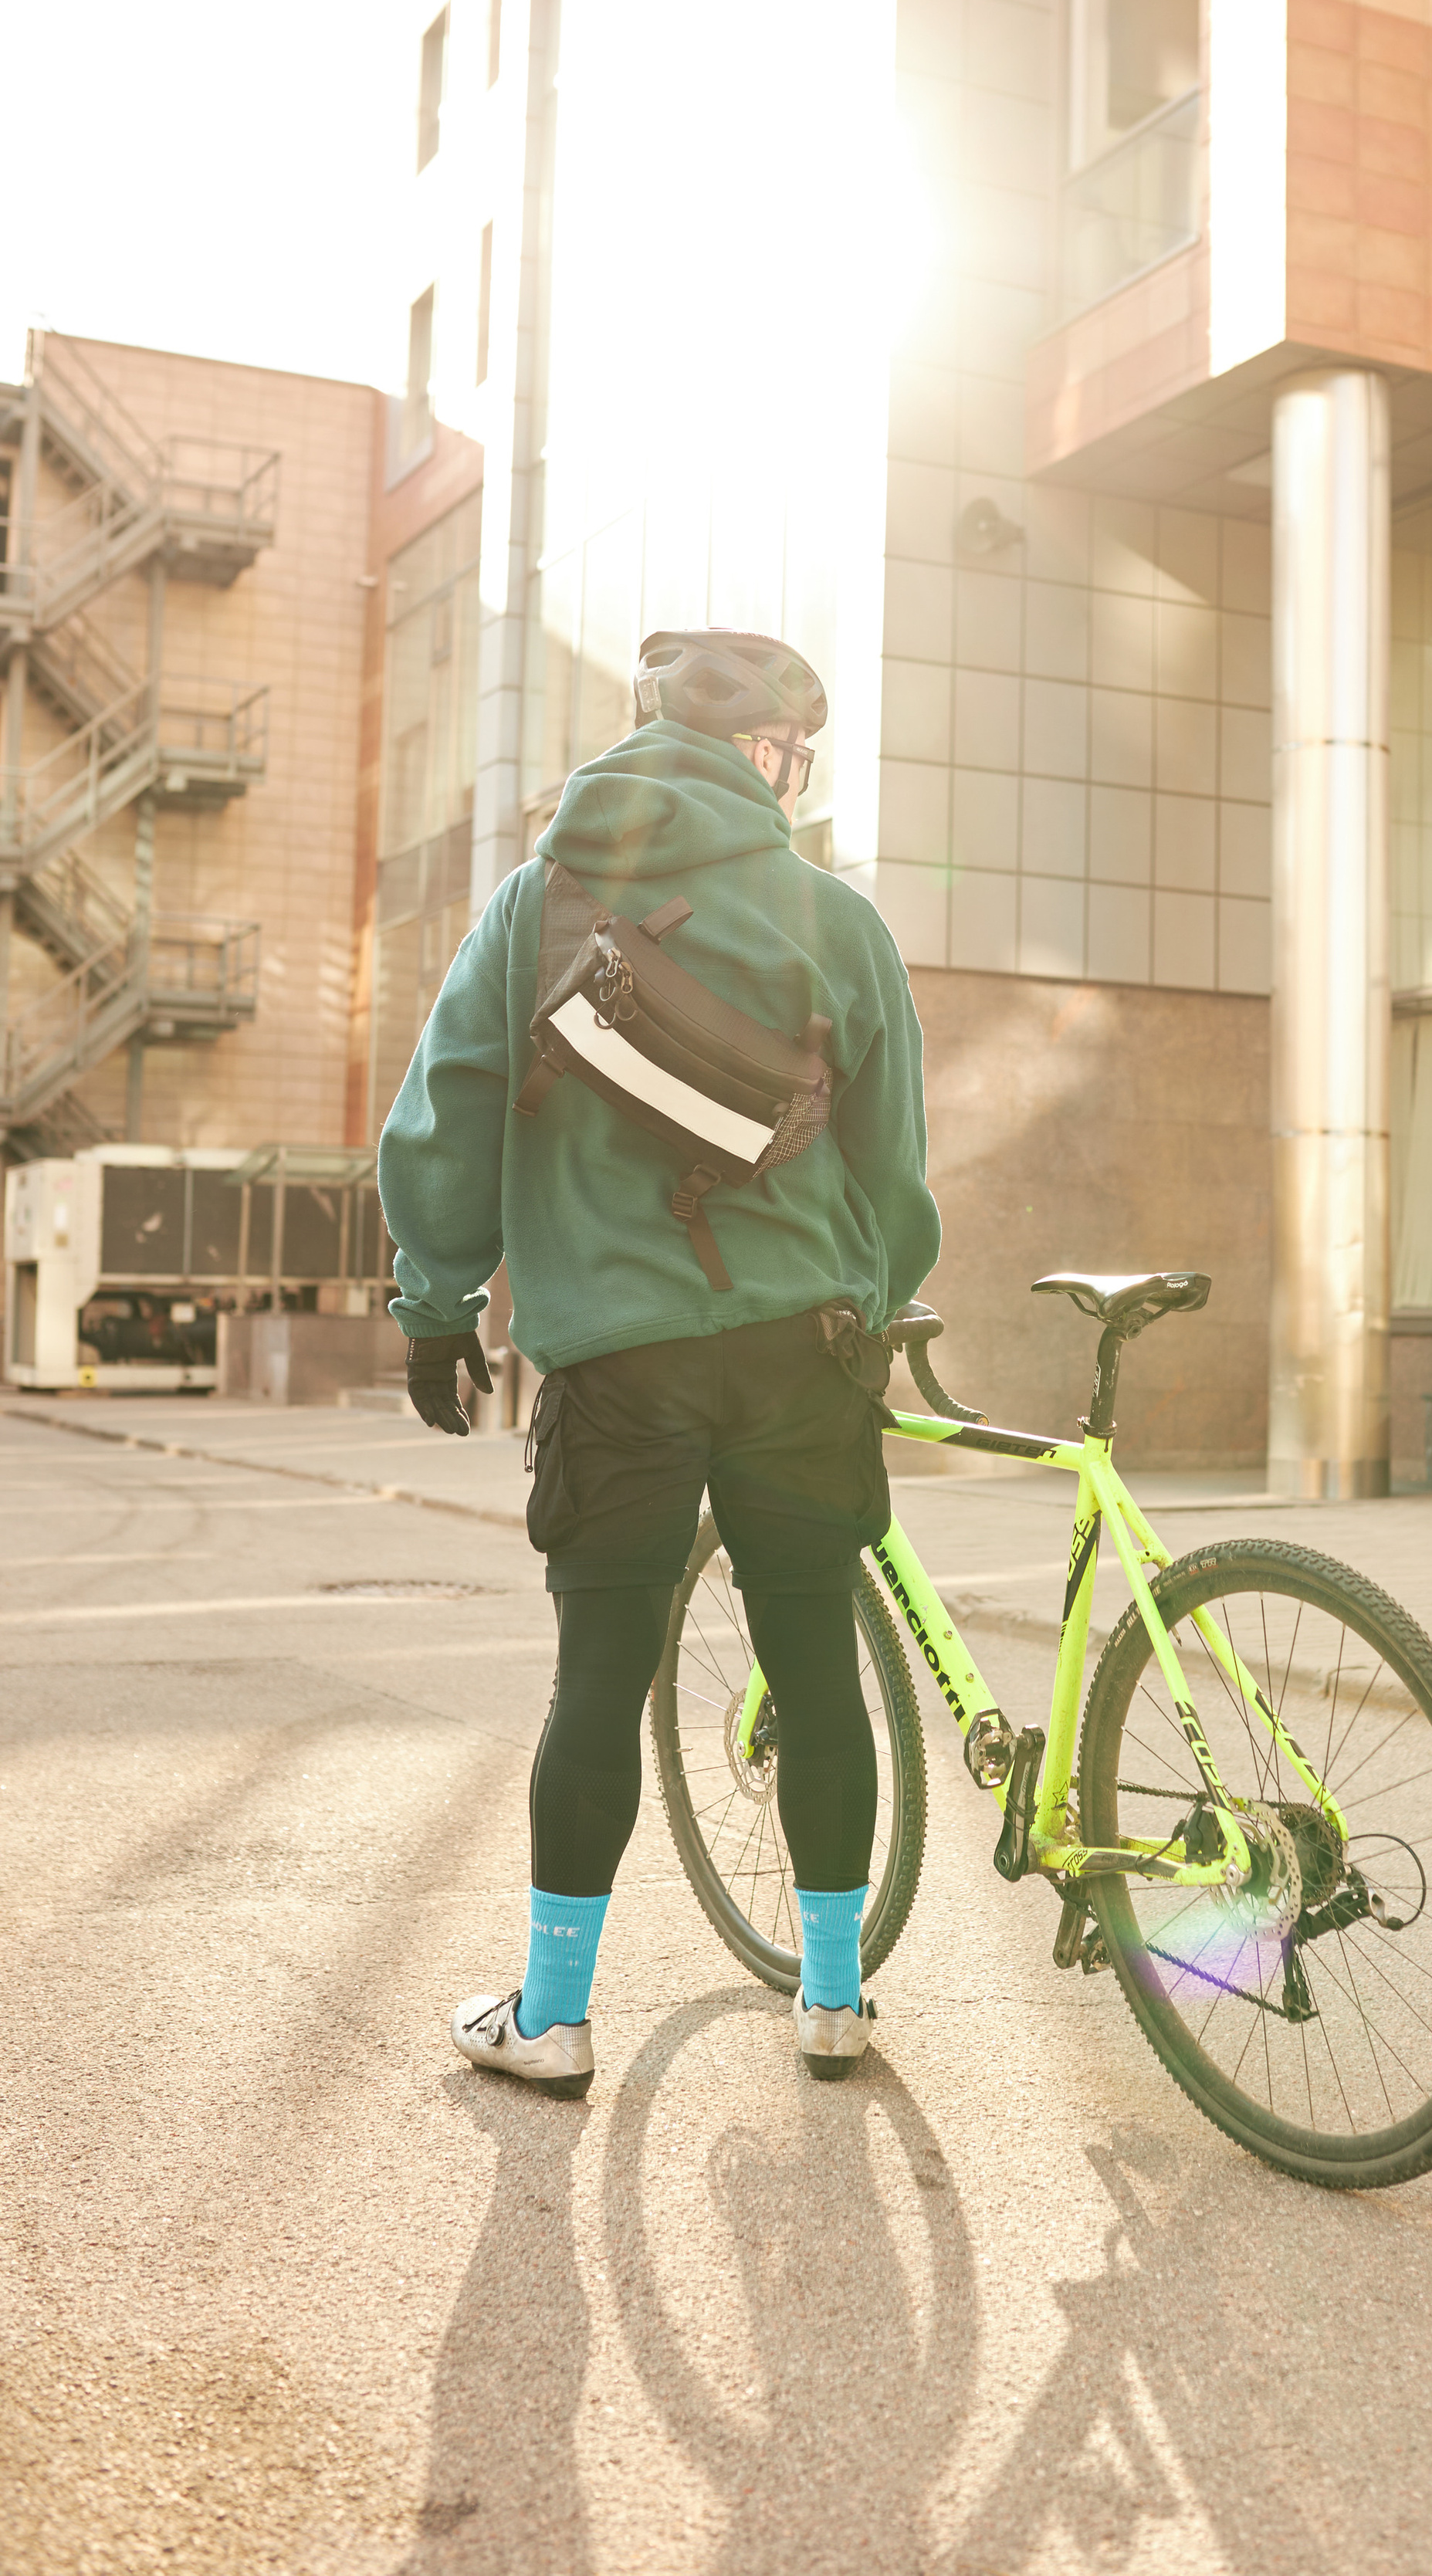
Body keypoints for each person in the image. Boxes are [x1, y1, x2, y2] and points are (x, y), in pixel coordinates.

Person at [377, 628, 940, 2097]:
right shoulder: (839, 922)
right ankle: (833, 2000)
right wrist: (867, 1303)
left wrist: (435, 1298)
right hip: (797, 1353)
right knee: (818, 1670)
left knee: (598, 1680)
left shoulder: (536, 901)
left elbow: (448, 1102)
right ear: (770, 759)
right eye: (793, 758)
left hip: (615, 1365)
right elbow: (897, 1174)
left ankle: (554, 2020)